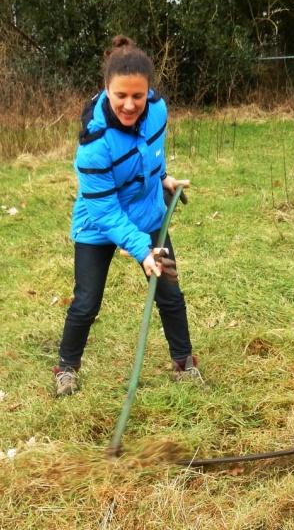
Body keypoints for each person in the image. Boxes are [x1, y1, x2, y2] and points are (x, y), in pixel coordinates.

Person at [53, 35, 200, 396]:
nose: (130, 104)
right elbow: (105, 212)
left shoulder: (158, 110)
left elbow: (153, 149)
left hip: (149, 215)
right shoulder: (94, 146)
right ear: (107, 90)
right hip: (99, 225)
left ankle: (184, 364)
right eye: (121, 96)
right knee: (86, 303)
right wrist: (141, 249)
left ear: (149, 92)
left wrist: (162, 177)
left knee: (169, 292)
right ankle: (66, 368)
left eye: (138, 96)